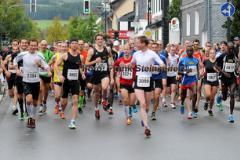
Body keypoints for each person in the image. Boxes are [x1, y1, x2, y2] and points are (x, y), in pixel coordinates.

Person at [131, 36, 165, 137]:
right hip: (138, 80)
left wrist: (158, 67)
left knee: (146, 105)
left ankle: (144, 116)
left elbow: (162, 64)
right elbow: (132, 64)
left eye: (138, 43)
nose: (136, 45)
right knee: (142, 103)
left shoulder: (152, 53)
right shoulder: (136, 54)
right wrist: (126, 65)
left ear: (143, 43)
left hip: (149, 80)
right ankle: (146, 127)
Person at [14, 39, 51, 128]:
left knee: (35, 103)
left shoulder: (39, 55)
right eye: (31, 45)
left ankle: (33, 118)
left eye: (35, 45)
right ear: (28, 45)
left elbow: (46, 66)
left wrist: (44, 68)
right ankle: (30, 117)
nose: (33, 47)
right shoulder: (23, 54)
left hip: (36, 82)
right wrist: (17, 70)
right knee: (29, 100)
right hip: (26, 81)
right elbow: (15, 60)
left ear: (37, 46)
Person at [56, 39, 85, 129]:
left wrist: (82, 73)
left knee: (75, 101)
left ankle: (72, 121)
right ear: (70, 45)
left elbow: (80, 67)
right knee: (64, 102)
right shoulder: (65, 55)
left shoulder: (80, 57)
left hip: (75, 81)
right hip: (66, 81)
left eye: (76, 43)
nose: (75, 45)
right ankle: (62, 109)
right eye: (73, 43)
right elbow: (56, 65)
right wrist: (60, 75)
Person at [85, 33, 114, 119]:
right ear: (95, 41)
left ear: (103, 40)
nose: (100, 40)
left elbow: (111, 57)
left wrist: (110, 62)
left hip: (104, 72)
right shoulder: (92, 51)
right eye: (98, 39)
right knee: (96, 92)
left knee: (105, 87)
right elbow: (86, 64)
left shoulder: (107, 49)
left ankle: (104, 100)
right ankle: (96, 109)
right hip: (96, 74)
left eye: (101, 39)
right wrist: (95, 61)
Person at [113, 43, 136, 125]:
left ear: (130, 50)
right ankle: (128, 117)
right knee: (126, 100)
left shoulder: (134, 59)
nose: (126, 51)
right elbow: (114, 68)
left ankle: (131, 107)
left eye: (127, 49)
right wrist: (116, 79)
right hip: (123, 82)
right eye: (124, 49)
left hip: (133, 83)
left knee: (132, 102)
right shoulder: (120, 60)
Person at [216, 42, 238, 123]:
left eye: (232, 48)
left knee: (232, 94)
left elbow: (236, 65)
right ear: (227, 48)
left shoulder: (234, 56)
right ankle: (220, 97)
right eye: (229, 48)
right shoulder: (223, 56)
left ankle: (231, 115)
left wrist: (237, 70)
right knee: (224, 98)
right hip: (224, 78)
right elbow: (215, 65)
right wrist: (223, 72)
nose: (231, 50)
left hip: (232, 78)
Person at [178, 45, 199, 119]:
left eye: (191, 51)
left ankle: (192, 110)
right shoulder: (183, 60)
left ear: (193, 51)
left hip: (193, 79)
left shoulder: (196, 60)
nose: (190, 52)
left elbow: (197, 70)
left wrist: (198, 77)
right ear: (186, 52)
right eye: (188, 51)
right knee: (183, 95)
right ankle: (182, 103)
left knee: (195, 93)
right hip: (185, 80)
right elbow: (179, 72)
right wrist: (184, 72)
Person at [2, 40, 19, 115]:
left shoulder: (20, 55)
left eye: (16, 45)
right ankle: (14, 103)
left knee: (16, 91)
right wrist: (6, 71)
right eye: (13, 45)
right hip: (10, 75)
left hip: (17, 75)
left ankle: (14, 106)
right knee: (10, 93)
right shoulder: (8, 55)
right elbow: (2, 63)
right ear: (12, 46)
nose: (15, 47)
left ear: (18, 46)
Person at [151, 42, 167, 120]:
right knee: (151, 97)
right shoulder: (148, 57)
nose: (154, 49)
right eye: (152, 47)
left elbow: (164, 69)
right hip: (149, 79)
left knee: (157, 96)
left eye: (155, 47)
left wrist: (164, 78)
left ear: (158, 48)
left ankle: (153, 112)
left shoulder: (162, 58)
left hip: (158, 78)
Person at [202, 49, 220, 116]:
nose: (212, 54)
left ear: (215, 54)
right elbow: (202, 68)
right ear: (209, 54)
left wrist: (217, 70)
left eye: (213, 53)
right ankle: (206, 101)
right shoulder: (206, 61)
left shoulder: (217, 62)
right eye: (211, 53)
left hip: (215, 81)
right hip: (207, 80)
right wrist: (202, 72)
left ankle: (210, 109)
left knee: (212, 97)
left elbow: (220, 71)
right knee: (208, 95)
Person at [38, 40, 54, 115]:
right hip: (39, 73)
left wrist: (46, 66)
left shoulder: (50, 53)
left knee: (46, 91)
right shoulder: (37, 53)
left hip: (47, 74)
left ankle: (44, 102)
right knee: (40, 89)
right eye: (42, 45)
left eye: (45, 45)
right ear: (40, 45)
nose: (44, 46)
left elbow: (53, 61)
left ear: (47, 45)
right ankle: (40, 105)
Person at [166, 45, 179, 109]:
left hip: (174, 75)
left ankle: (172, 102)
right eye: (172, 50)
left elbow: (177, 66)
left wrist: (177, 74)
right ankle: (164, 99)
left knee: (173, 89)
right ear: (169, 50)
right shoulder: (167, 56)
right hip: (167, 75)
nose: (173, 51)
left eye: (174, 50)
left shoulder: (177, 57)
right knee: (168, 91)